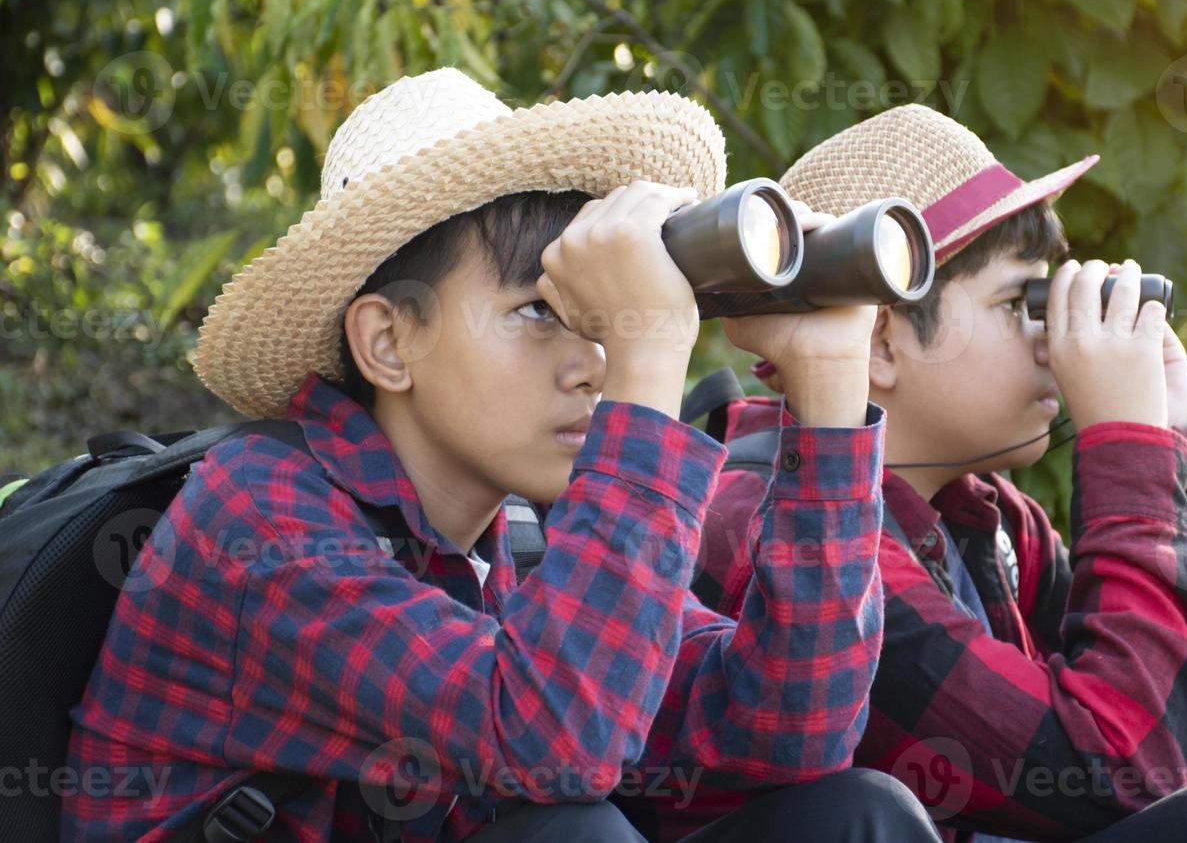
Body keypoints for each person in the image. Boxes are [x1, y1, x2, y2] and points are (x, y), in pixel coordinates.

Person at [61, 68, 939, 843]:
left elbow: (789, 735)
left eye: (601, 320)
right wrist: (651, 353)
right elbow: (556, 745)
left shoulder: (516, 538)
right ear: (389, 343)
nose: (594, 363)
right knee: (573, 832)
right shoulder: (260, 517)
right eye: (539, 312)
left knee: (857, 813)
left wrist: (827, 382)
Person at [692, 104, 1187, 841]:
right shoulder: (790, 529)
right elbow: (1120, 769)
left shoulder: (988, 521)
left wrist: (1179, 452)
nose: (1052, 338)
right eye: (1018, 302)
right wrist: (1128, 453)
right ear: (883, 344)